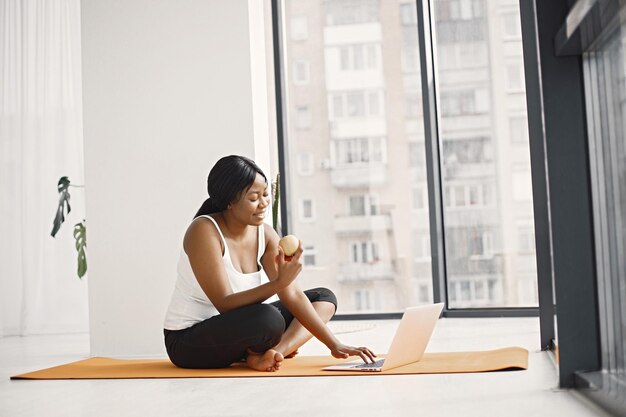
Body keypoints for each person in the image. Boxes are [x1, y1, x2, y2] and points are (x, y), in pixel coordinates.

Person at [163, 155, 376, 372]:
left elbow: (291, 295)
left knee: (323, 297)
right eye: (254, 198)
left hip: (238, 329)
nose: (264, 203)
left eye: (265, 194)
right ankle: (256, 353)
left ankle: (273, 354)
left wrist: (334, 344)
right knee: (268, 319)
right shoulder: (204, 231)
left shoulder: (264, 233)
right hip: (188, 341)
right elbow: (225, 304)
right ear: (229, 201)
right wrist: (278, 283)